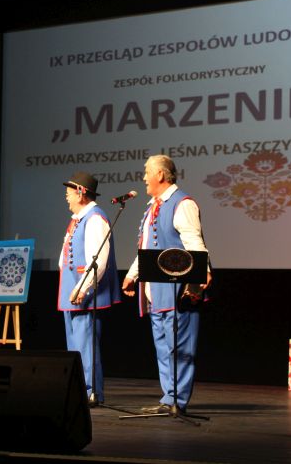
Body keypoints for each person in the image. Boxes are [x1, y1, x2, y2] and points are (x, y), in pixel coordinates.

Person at [121, 155, 212, 414]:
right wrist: (132, 275)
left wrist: (202, 272)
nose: (143, 178)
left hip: (176, 290)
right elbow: (146, 246)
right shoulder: (153, 207)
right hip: (156, 291)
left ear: (160, 174)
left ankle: (178, 401)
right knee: (163, 348)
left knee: (179, 348)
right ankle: (168, 397)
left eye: (146, 172)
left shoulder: (182, 204)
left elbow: (194, 241)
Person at [59, 172, 121, 405]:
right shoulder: (78, 219)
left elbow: (98, 261)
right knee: (75, 346)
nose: (66, 197)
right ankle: (79, 390)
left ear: (80, 193)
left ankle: (91, 391)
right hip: (70, 291)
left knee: (85, 345)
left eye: (69, 193)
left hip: (83, 293)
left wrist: (82, 288)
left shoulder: (95, 218)